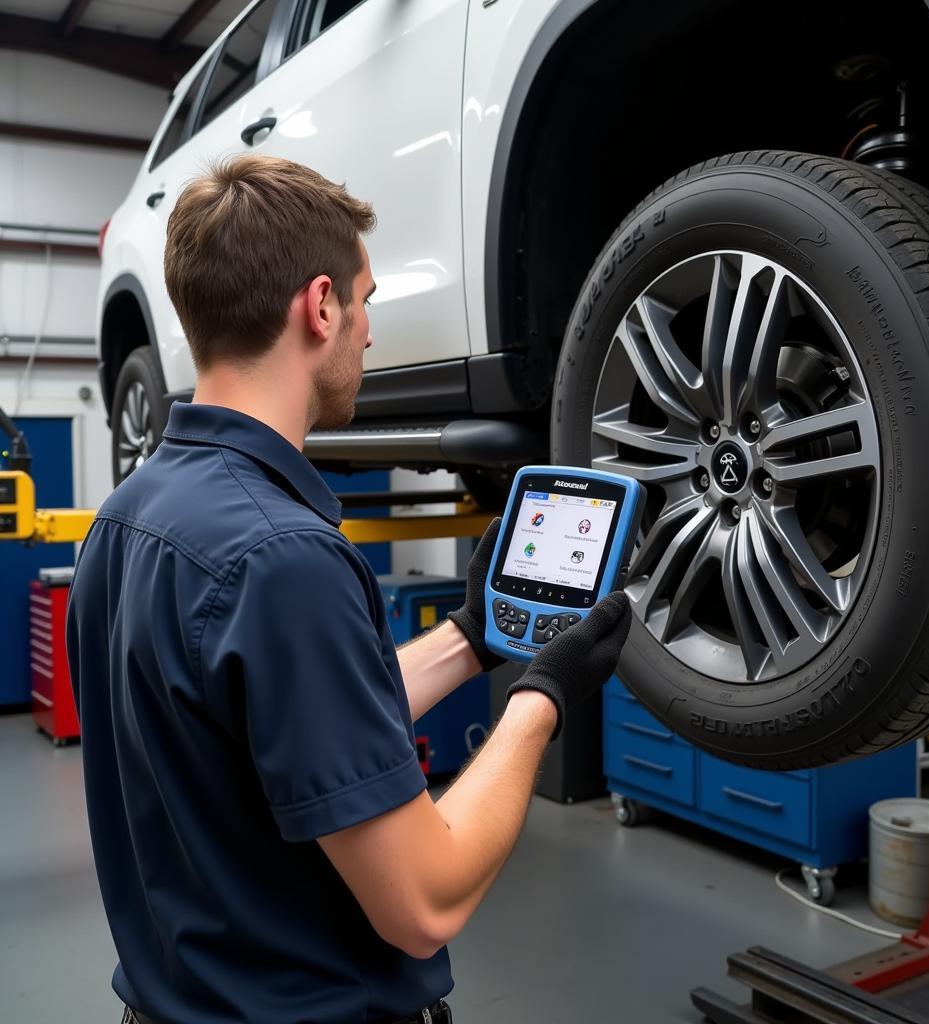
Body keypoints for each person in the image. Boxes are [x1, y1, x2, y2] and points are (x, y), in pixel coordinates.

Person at [67, 154, 632, 1024]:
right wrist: (542, 698)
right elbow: (424, 903)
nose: (368, 331)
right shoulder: (283, 557)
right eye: (364, 302)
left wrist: (469, 640)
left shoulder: (126, 518)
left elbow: (284, 730)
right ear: (320, 305)